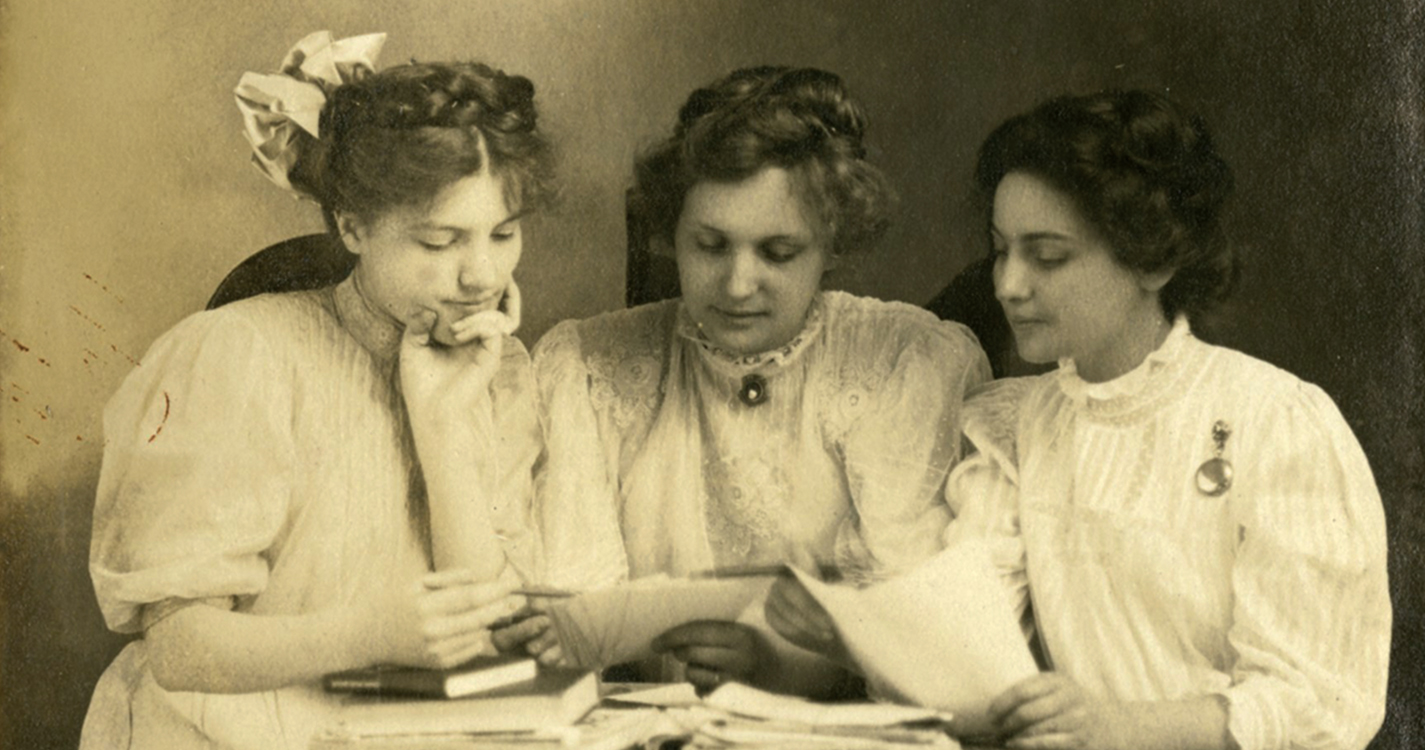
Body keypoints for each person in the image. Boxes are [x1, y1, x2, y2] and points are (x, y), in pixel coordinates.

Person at [769, 89, 1391, 750]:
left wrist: (1117, 727)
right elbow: (978, 670)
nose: (1008, 284)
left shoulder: (1274, 422)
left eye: (1048, 255)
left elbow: (1318, 702)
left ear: (1152, 258)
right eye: (1001, 250)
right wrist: (853, 636)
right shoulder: (1017, 427)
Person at [81, 31, 558, 749]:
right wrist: (366, 633)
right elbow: (179, 649)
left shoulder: (499, 373)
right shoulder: (237, 357)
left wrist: (442, 423)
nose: (482, 275)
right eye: (440, 241)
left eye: (503, 234)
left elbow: (490, 639)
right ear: (353, 225)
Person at [532, 66, 991, 694]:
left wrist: (778, 662)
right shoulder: (588, 369)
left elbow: (920, 637)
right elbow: (574, 625)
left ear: (833, 244)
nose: (738, 284)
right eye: (711, 246)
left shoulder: (901, 364)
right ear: (672, 235)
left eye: (778, 253)